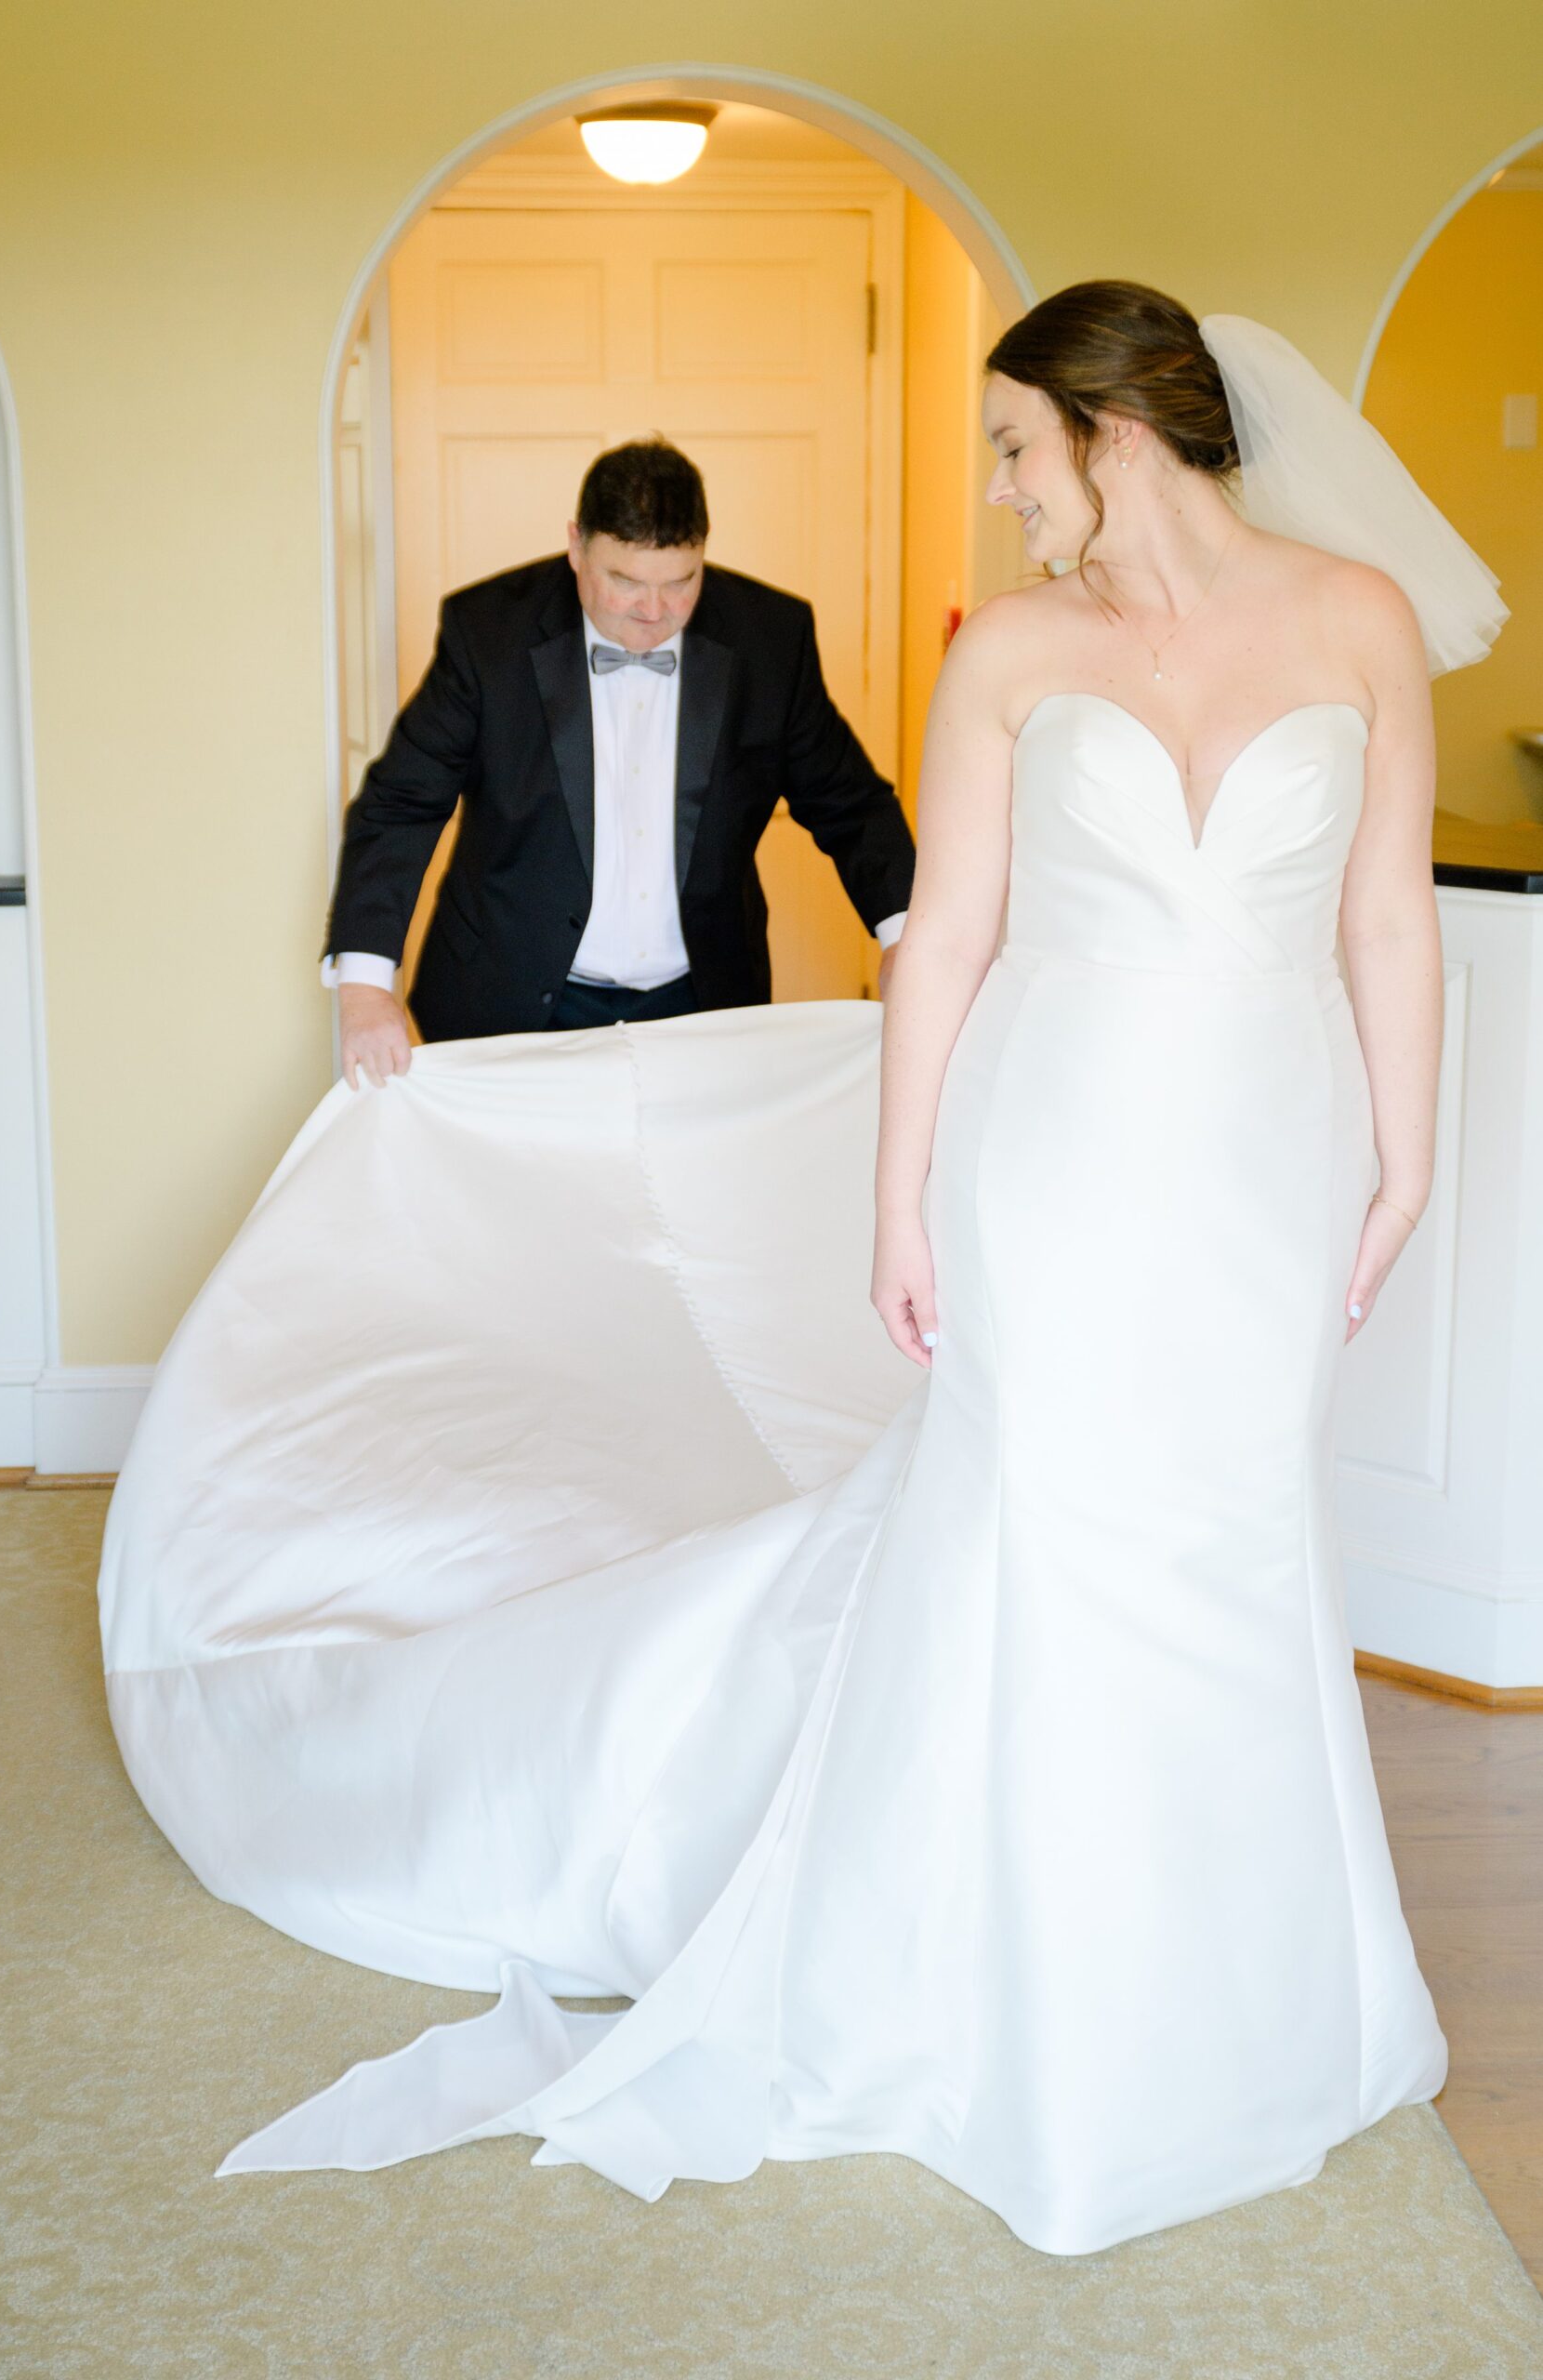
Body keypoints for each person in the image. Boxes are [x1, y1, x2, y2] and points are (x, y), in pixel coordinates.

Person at [99, 284, 1505, 2254]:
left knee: (1233, 1526)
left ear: (1108, 433)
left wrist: (1405, 1153)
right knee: (1042, 1513)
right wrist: (898, 1190)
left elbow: (1378, 921)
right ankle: (1017, 1963)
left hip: (1270, 1155)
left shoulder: (1354, 621)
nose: (1003, 494)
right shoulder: (1014, 649)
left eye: (1015, 447)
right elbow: (936, 937)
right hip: (1056, 1148)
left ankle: (1241, 1964)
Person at [325, 436, 916, 1085]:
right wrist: (364, 985)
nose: (654, 612)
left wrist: (906, 941)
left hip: (699, 1003)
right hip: (509, 996)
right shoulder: (487, 632)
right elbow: (403, 803)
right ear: (576, 546)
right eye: (625, 582)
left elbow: (849, 803)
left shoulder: (769, 638)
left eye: (681, 582)